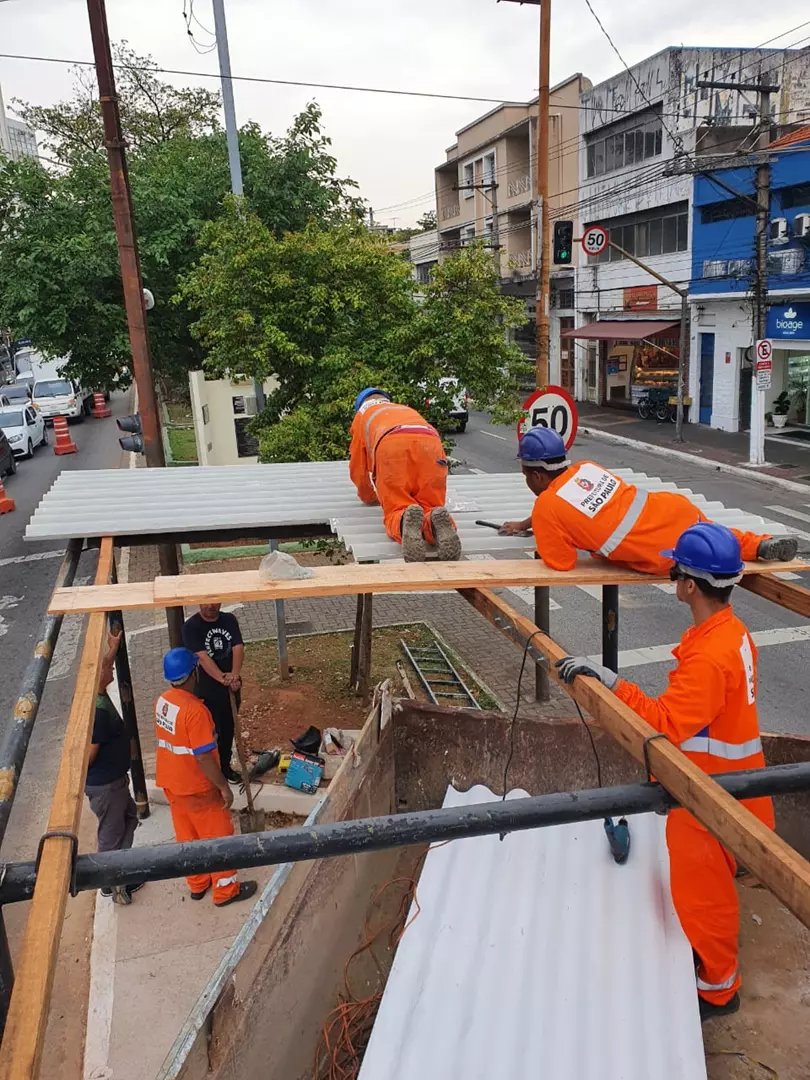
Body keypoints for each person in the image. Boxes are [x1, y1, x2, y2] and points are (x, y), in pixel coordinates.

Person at [555, 523, 775, 1021]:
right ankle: (714, 966)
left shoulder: (712, 656)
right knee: (711, 886)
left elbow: (666, 723)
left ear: (690, 585)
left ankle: (719, 989)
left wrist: (609, 683)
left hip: (707, 794)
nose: (672, 579)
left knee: (701, 899)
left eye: (676, 571)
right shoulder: (729, 632)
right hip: (734, 784)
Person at [499, 427, 798, 573]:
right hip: (672, 508)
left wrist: (548, 531)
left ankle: (738, 554)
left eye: (525, 475)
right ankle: (759, 544)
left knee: (705, 559)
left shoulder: (547, 508)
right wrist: (527, 523)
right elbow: (573, 502)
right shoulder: (586, 468)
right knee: (712, 534)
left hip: (655, 548)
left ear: (537, 476)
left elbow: (562, 562)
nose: (527, 482)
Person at [155, 647, 257, 907]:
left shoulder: (163, 702)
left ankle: (198, 884)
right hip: (198, 786)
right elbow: (202, 757)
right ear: (193, 673)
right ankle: (225, 891)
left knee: (188, 836)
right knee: (218, 835)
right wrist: (223, 786)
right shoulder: (196, 712)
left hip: (172, 784)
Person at [349, 387, 461, 562]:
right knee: (430, 505)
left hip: (392, 446)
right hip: (431, 444)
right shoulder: (403, 409)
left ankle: (402, 521)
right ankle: (434, 521)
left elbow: (358, 467)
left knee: (398, 508)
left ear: (360, 405)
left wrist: (368, 496)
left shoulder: (362, 416)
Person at [85, 626, 140, 904]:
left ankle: (121, 873)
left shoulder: (96, 694)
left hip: (114, 783)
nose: (112, 670)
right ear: (98, 676)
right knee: (111, 835)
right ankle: (113, 883)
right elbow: (88, 756)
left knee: (130, 818)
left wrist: (112, 648)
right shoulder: (96, 713)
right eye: (107, 668)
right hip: (107, 788)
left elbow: (103, 666)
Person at [182, 603, 244, 784]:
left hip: (231, 689)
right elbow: (202, 657)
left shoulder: (229, 620)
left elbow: (238, 646)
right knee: (210, 735)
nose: (210, 606)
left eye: (214, 601)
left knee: (227, 730)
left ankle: (224, 768)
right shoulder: (191, 627)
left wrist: (234, 675)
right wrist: (222, 678)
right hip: (207, 691)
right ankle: (211, 774)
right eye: (205, 601)